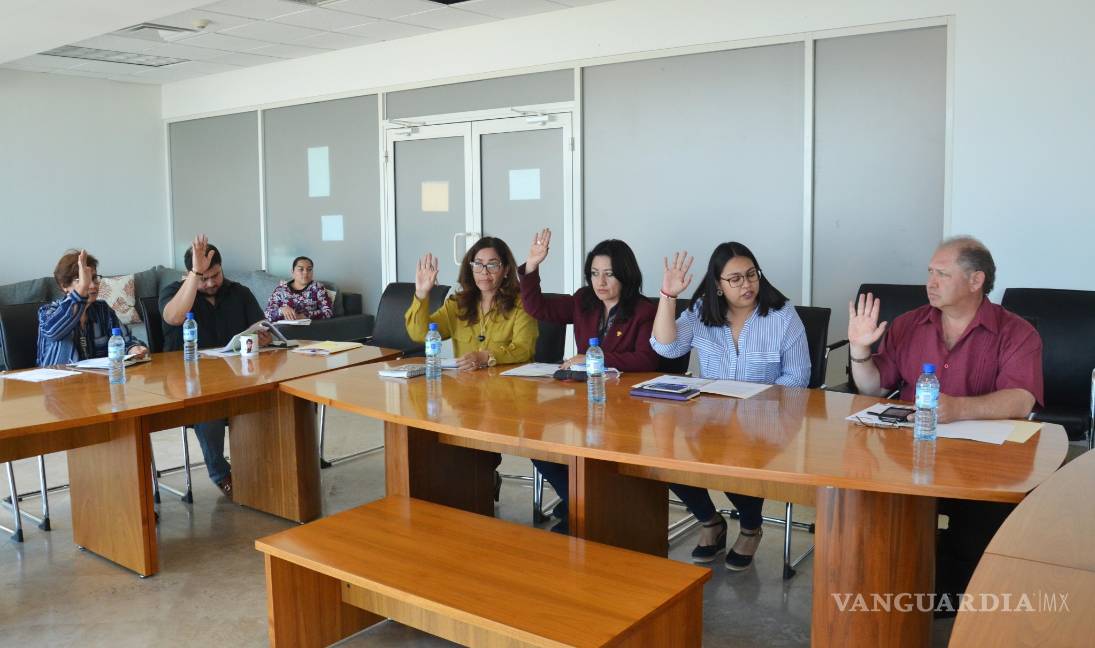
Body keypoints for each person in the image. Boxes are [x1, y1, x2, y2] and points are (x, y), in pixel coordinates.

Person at [847, 235, 1042, 604]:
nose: (930, 283)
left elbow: (1021, 399)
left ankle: (949, 596)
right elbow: (874, 388)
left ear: (975, 280)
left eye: (942, 274)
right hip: (909, 452)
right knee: (867, 510)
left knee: (976, 533)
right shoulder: (909, 324)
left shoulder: (1016, 332)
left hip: (982, 462)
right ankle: (892, 585)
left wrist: (959, 408)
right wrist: (860, 352)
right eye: (929, 272)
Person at [652, 243, 810, 570]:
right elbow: (666, 348)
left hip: (768, 421)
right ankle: (711, 521)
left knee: (737, 456)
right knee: (664, 460)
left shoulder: (782, 316)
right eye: (735, 279)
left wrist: (754, 407)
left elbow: (798, 377)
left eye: (751, 275)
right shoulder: (700, 312)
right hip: (710, 421)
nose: (747, 285)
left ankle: (751, 528)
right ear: (718, 285)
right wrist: (668, 295)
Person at [519, 228, 660, 533]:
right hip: (583, 403)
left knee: (597, 455)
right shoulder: (584, 300)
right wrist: (532, 266)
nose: (601, 282)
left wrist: (595, 358)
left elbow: (648, 359)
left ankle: (583, 509)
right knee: (536, 441)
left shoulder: (644, 310)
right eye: (594, 273)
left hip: (626, 409)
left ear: (626, 275)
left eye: (609, 274)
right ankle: (576, 499)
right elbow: (537, 308)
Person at [160, 234, 272, 498]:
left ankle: (267, 467)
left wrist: (262, 338)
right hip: (188, 381)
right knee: (208, 409)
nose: (210, 283)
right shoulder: (174, 293)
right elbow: (174, 317)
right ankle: (222, 474)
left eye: (216, 275)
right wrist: (194, 275)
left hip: (236, 375)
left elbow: (260, 326)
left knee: (272, 397)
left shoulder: (239, 292)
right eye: (203, 278)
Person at [405, 236, 537, 371]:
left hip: (507, 386)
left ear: (506, 270)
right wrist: (421, 293)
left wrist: (486, 357)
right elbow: (420, 334)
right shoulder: (457, 304)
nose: (484, 272)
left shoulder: (523, 304)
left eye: (492, 265)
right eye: (478, 264)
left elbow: (524, 349)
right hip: (466, 386)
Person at [37, 249, 148, 366]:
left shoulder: (103, 310)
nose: (92, 285)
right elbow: (54, 333)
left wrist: (134, 349)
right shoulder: (48, 311)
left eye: (94, 278)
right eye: (84, 280)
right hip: (58, 380)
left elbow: (124, 340)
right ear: (64, 286)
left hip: (96, 379)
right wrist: (82, 289)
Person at [264, 256, 334, 322]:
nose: (306, 273)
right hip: (283, 329)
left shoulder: (317, 288)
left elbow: (328, 312)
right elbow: (267, 314)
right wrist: (281, 310)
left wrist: (305, 316)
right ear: (292, 271)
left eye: (309, 269)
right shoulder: (281, 290)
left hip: (309, 329)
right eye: (301, 269)